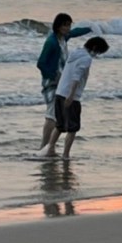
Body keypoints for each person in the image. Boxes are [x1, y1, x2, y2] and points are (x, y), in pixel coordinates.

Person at [45, 36, 110, 159]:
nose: (97, 55)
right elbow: (76, 77)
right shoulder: (86, 59)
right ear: (95, 48)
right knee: (73, 128)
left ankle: (50, 149)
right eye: (98, 52)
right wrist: (71, 96)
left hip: (60, 92)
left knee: (60, 125)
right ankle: (65, 154)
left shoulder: (75, 52)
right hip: (71, 96)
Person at [37, 13, 93, 151]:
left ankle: (50, 146)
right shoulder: (52, 42)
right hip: (51, 83)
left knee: (56, 114)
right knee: (52, 114)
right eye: (64, 25)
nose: (67, 28)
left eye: (69, 24)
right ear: (58, 26)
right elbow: (41, 63)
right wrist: (53, 76)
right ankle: (44, 147)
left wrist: (92, 28)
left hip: (61, 82)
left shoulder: (63, 38)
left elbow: (75, 32)